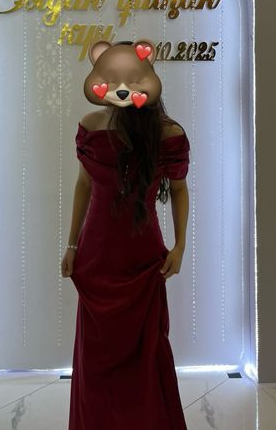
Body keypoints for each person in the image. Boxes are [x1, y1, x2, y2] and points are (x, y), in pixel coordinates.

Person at [61, 39, 190, 429]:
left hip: (142, 258)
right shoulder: (90, 127)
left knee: (146, 353)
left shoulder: (167, 134)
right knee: (96, 357)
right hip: (96, 255)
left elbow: (179, 190)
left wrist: (180, 246)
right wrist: (71, 244)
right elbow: (84, 185)